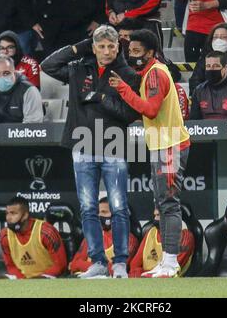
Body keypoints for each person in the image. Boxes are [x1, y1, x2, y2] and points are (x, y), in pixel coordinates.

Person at [41, 25, 140, 279]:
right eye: (101, 46)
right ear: (94, 47)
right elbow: (48, 66)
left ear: (118, 47)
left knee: (118, 207)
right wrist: (79, 47)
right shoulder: (80, 68)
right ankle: (97, 262)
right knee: (87, 208)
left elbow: (131, 114)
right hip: (83, 146)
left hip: (114, 144)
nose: (107, 51)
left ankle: (119, 264)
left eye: (111, 46)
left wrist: (102, 99)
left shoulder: (127, 73)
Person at [109, 29, 190, 278]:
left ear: (151, 52)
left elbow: (151, 110)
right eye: (130, 51)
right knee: (163, 204)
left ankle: (171, 262)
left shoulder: (155, 74)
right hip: (162, 145)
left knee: (169, 205)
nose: (132, 56)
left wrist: (123, 89)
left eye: (136, 51)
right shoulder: (150, 72)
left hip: (169, 146)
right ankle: (166, 262)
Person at [0, 197, 67, 279]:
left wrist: (37, 280)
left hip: (46, 278)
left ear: (25, 215)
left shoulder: (46, 232)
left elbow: (60, 265)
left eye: (13, 213)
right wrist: (22, 280)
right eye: (7, 213)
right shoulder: (5, 235)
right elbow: (10, 265)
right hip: (21, 279)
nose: (8, 218)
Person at [69, 197, 139, 276]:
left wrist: (83, 265)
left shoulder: (128, 239)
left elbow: (115, 269)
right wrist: (100, 267)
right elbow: (74, 264)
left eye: (104, 212)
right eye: (98, 212)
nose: (99, 216)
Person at [0, 55, 43, 124]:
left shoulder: (29, 91)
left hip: (21, 133)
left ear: (14, 72)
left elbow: (33, 125)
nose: (1, 77)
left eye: (6, 73)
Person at [129, 209, 195, 278]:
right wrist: (139, 275)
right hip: (146, 278)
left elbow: (171, 270)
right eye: (155, 215)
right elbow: (134, 265)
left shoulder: (186, 237)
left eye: (158, 215)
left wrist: (149, 277)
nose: (155, 219)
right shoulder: (151, 232)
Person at [33, 0, 105, 56]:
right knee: (53, 65)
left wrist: (97, 19)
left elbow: (101, 0)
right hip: (50, 27)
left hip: (82, 25)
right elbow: (25, 1)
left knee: (81, 63)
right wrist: (32, 22)